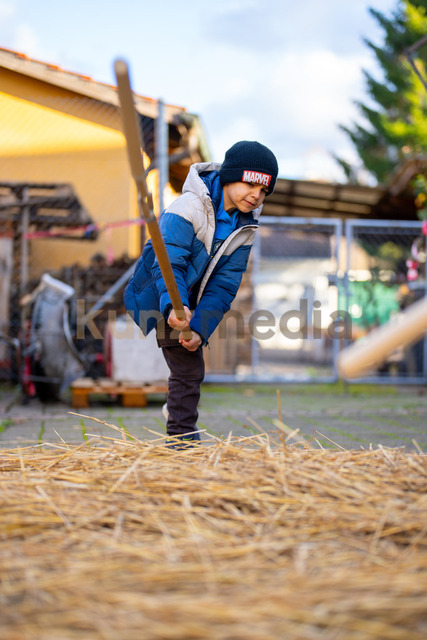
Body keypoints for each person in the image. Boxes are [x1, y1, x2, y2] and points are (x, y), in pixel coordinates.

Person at [124, 140, 279, 446]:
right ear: (230, 176)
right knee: (188, 369)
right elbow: (169, 263)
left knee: (189, 366)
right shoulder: (187, 208)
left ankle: (178, 415)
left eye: (263, 191)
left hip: (193, 300)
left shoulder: (245, 228)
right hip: (162, 292)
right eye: (250, 184)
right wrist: (175, 306)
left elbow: (225, 285)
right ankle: (181, 438)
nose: (256, 195)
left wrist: (199, 328)